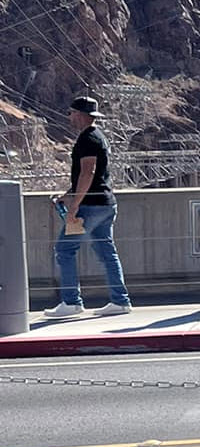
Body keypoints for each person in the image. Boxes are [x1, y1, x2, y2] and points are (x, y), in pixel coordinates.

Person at [43, 95, 132, 318]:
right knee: (106, 252)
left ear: (81, 115)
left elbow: (88, 172)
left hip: (90, 206)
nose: (69, 117)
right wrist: (68, 195)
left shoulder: (87, 140)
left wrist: (74, 206)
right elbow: (92, 176)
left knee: (65, 250)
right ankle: (120, 301)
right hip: (105, 204)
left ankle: (72, 302)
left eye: (71, 113)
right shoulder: (97, 136)